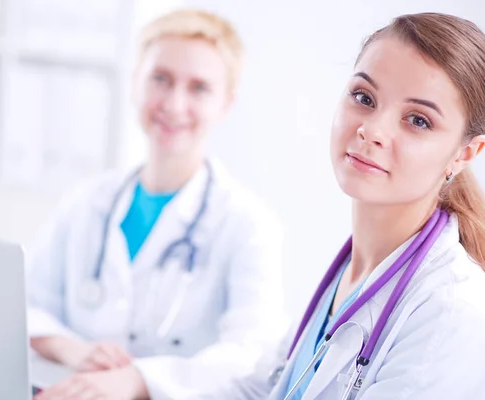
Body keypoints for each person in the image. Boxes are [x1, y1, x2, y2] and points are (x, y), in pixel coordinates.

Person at [197, 12, 485, 400]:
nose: (373, 130)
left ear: (465, 152)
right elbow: (267, 387)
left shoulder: (450, 313)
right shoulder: (352, 271)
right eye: (364, 98)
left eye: (417, 120)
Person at [28, 9, 287, 400]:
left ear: (226, 104)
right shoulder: (88, 202)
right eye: (160, 79)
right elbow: (26, 306)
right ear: (136, 83)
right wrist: (74, 350)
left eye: (199, 88)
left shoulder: (247, 224)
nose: (174, 103)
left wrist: (139, 379)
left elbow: (252, 356)